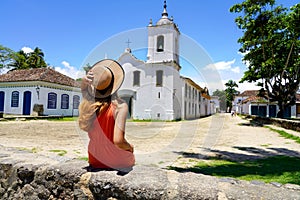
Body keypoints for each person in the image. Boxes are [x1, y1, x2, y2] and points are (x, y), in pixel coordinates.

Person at [78, 59, 135, 170]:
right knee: (130, 156)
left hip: (95, 159)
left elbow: (85, 92)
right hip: (117, 161)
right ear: (115, 84)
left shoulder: (90, 105)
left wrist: (84, 83)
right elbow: (118, 141)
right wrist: (130, 147)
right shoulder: (120, 106)